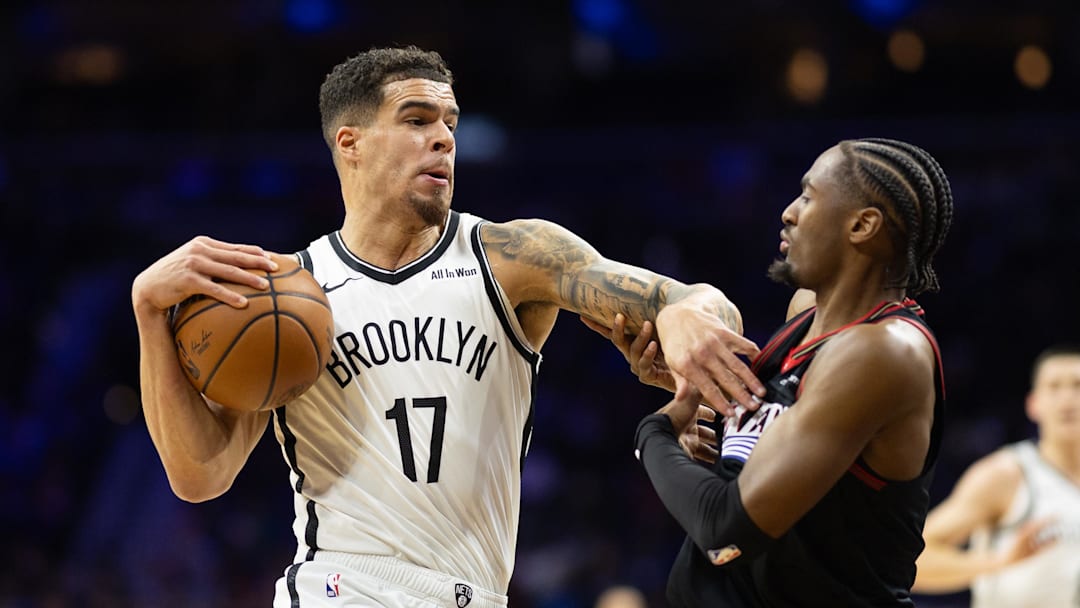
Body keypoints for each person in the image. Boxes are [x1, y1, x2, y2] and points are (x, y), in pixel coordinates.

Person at [130, 46, 766, 607]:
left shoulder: (512, 257)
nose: (443, 139)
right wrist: (149, 313)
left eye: (449, 124)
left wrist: (685, 315)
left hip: (474, 594)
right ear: (349, 143)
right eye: (416, 121)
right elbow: (199, 477)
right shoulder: (287, 298)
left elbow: (705, 307)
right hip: (339, 589)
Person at [594, 138, 954, 606]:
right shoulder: (806, 314)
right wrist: (694, 392)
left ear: (863, 225)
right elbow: (775, 464)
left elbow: (727, 534)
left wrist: (654, 433)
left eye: (808, 196)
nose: (788, 212)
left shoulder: (884, 350)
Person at [912, 346, 1080, 607]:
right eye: (1054, 387)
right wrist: (999, 562)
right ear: (1033, 405)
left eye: (1077, 386)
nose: (1068, 399)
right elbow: (915, 558)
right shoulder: (1006, 473)